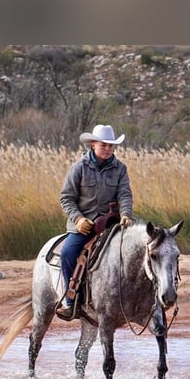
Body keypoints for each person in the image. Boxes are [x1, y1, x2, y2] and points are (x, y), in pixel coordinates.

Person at [56, 124, 134, 320]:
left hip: (111, 224)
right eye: (104, 145)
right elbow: (66, 198)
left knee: (134, 250)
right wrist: (78, 218)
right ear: (93, 144)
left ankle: (131, 299)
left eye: (111, 146)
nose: (108, 149)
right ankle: (71, 300)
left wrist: (126, 214)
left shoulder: (120, 169)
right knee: (67, 253)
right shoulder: (79, 168)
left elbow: (125, 195)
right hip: (83, 226)